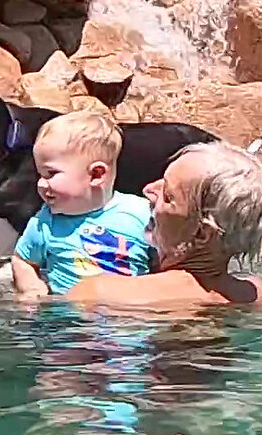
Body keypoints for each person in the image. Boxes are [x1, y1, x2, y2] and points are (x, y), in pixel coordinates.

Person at [67, 140, 262, 307]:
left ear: (202, 233)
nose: (148, 189)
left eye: (167, 196)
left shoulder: (98, 295)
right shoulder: (256, 296)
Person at [12, 111, 155, 296]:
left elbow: (166, 262)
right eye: (39, 174)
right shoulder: (45, 223)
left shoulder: (141, 214)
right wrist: (31, 287)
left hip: (129, 317)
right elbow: (22, 260)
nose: (40, 183)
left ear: (96, 175)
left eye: (50, 174)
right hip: (68, 320)